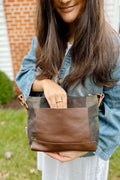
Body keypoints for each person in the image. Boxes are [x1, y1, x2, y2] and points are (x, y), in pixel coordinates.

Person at [16, 0, 120, 179]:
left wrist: (87, 147)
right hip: (50, 144)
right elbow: (24, 73)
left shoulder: (110, 44)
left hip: (86, 158)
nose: (64, 0)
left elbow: (117, 107)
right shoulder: (44, 37)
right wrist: (45, 83)